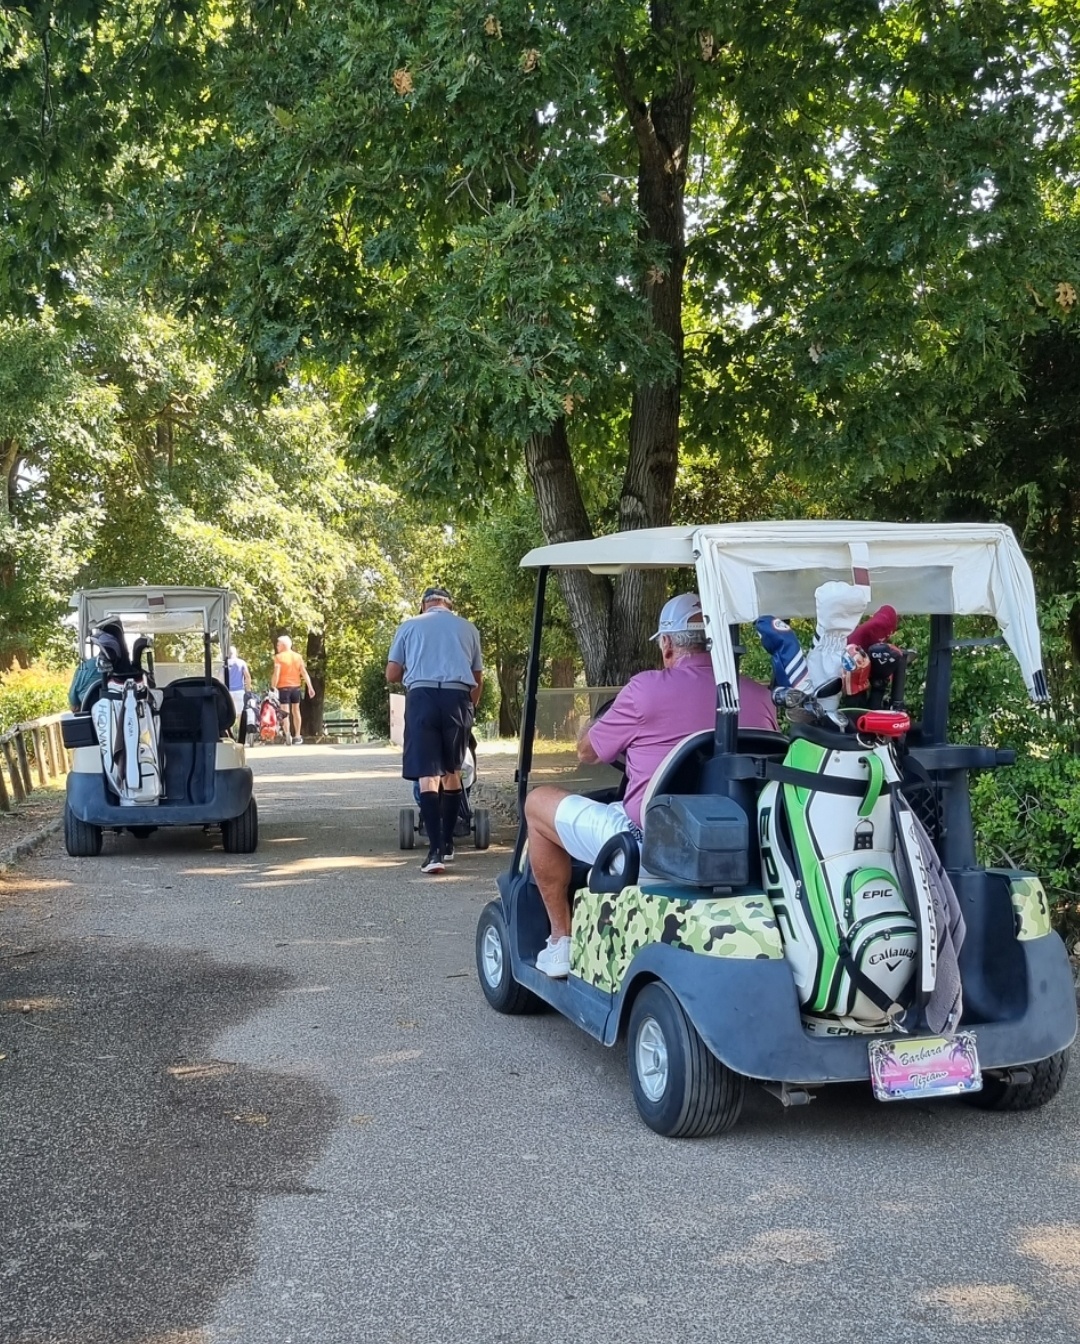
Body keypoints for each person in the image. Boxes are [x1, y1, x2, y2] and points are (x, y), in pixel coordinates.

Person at [523, 592, 778, 978]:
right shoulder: (759, 697)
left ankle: (561, 940)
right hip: (740, 849)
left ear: (667, 644)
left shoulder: (644, 690)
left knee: (537, 801)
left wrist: (591, 725)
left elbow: (588, 752)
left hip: (648, 846)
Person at [386, 586, 483, 875]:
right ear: (449, 605)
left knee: (428, 774)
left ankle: (435, 852)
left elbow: (392, 673)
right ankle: (450, 843)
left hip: (422, 698)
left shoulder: (409, 626)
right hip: (457, 698)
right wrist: (469, 706)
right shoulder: (468, 628)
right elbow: (477, 676)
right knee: (453, 771)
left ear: (423, 605)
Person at [68, 620, 127, 710]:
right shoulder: (131, 671)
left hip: (89, 713)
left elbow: (74, 703)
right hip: (123, 713)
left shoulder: (85, 667)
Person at [271, 634, 315, 745]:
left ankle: (287, 734)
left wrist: (273, 687)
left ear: (283, 645)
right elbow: (304, 672)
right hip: (296, 687)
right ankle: (297, 736)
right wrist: (310, 687)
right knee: (296, 711)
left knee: (285, 712)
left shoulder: (278, 657)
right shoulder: (298, 657)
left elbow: (276, 674)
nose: (277, 646)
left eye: (278, 644)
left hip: (283, 687)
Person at [226, 645, 252, 719]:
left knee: (229, 713)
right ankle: (240, 726)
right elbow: (247, 677)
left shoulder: (225, 664)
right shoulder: (241, 662)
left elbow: (220, 677)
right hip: (239, 691)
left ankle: (230, 726)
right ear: (236, 653)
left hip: (228, 692)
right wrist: (248, 690)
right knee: (240, 713)